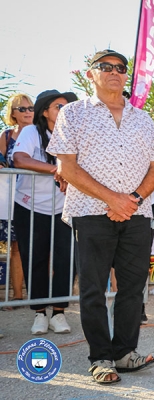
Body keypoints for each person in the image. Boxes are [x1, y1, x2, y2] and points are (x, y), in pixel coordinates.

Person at [48, 49, 154, 384]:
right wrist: (113, 199)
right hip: (91, 213)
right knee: (93, 288)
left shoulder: (141, 118)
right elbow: (66, 167)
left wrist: (133, 200)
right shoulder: (73, 113)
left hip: (137, 213)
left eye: (121, 68)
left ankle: (125, 353)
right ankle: (101, 357)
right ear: (91, 74)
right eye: (106, 67)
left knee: (132, 287)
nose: (115, 72)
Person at [12, 90, 77, 335]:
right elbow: (19, 159)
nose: (64, 110)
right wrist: (56, 170)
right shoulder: (31, 132)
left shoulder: (74, 135)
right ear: (45, 112)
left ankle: (59, 313)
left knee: (65, 260)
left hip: (64, 208)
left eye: (67, 106)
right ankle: (40, 313)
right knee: (34, 258)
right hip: (30, 206)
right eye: (59, 106)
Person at [0, 93, 32, 307]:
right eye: (22, 109)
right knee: (14, 246)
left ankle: (36, 295)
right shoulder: (6, 135)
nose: (28, 112)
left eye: (31, 108)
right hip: (9, 198)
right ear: (12, 113)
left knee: (32, 247)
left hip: (36, 199)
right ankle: (17, 295)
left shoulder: (41, 133)